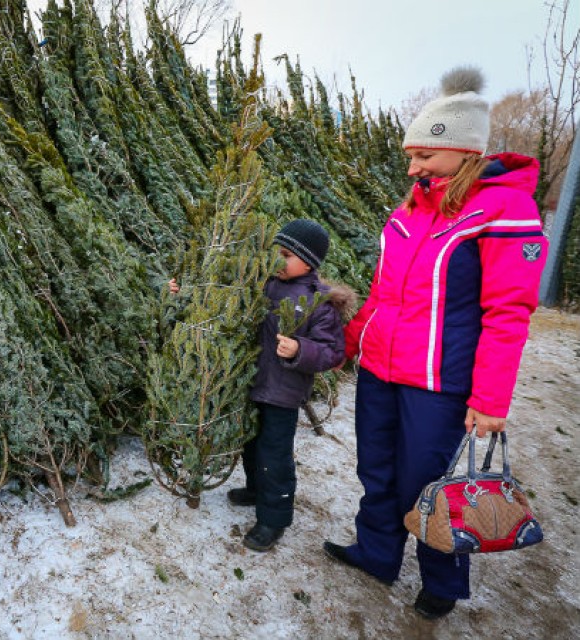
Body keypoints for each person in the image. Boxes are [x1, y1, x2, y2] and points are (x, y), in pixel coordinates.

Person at [322, 67, 548, 619]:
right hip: (380, 372)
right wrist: (345, 347)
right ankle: (376, 554)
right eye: (411, 156)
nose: (413, 167)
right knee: (377, 471)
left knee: (428, 485)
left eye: (424, 155)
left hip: (439, 384)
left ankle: (442, 583)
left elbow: (507, 314)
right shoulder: (406, 213)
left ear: (463, 151)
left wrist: (489, 400)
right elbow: (381, 296)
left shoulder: (504, 212)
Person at [224, 219, 351, 552]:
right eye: (276, 252)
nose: (277, 260)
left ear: (308, 262)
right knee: (251, 445)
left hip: (282, 393)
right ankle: (255, 489)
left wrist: (300, 350)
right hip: (253, 383)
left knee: (275, 455)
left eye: (286, 255)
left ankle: (273, 519)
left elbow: (332, 352)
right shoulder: (265, 285)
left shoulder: (318, 302)